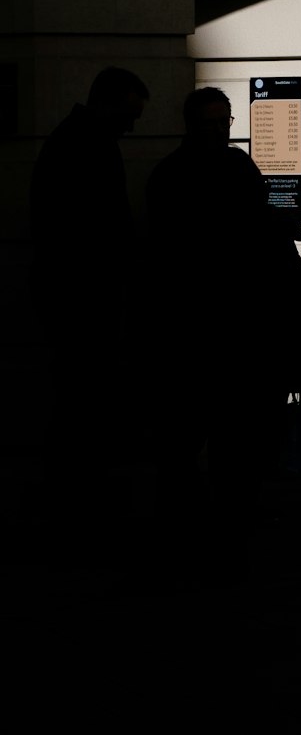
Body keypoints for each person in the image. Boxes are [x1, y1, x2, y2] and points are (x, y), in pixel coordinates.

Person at [145, 87, 301, 559]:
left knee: (229, 441)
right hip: (197, 332)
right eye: (211, 123)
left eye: (225, 122)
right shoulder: (178, 176)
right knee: (194, 440)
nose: (220, 131)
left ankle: (216, 525)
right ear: (191, 124)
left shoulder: (231, 169)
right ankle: (202, 526)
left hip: (233, 332)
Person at [30, 66, 150, 495]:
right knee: (81, 399)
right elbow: (98, 229)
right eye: (130, 114)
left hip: (74, 297)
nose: (132, 125)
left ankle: (73, 487)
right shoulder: (88, 147)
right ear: (109, 103)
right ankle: (75, 491)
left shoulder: (72, 140)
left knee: (76, 398)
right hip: (83, 299)